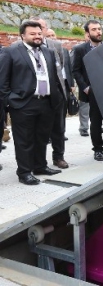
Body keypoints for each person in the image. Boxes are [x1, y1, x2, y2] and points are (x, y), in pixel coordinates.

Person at [0, 20, 64, 185]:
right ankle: (24, 172)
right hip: (23, 104)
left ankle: (40, 166)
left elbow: (54, 76)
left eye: (39, 33)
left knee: (42, 137)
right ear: (22, 35)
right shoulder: (11, 52)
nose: (37, 36)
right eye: (33, 34)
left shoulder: (48, 52)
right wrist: (11, 100)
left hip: (46, 102)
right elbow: (2, 82)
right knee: (24, 140)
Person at [31, 17, 71, 169]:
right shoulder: (21, 46)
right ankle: (37, 160)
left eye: (42, 27)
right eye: (35, 27)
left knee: (58, 128)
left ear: (46, 29)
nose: (39, 31)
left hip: (55, 94)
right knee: (37, 130)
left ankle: (58, 157)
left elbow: (59, 66)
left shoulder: (56, 45)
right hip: (35, 95)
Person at [72, 20, 103, 161]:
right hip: (92, 92)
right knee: (96, 122)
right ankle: (98, 149)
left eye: (99, 29)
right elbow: (76, 70)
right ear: (87, 33)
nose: (98, 32)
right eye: (94, 29)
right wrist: (85, 88)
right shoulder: (80, 49)